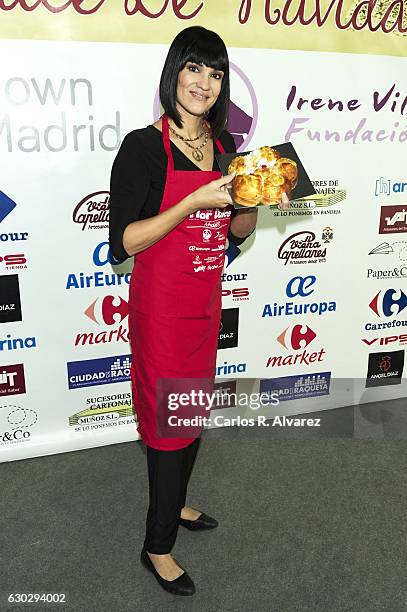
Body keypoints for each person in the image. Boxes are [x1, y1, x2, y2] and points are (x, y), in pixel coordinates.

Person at [109, 26, 289, 596]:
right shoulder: (142, 147)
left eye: (215, 73)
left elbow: (235, 233)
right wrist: (190, 200)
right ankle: (156, 546)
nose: (203, 83)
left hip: (205, 305)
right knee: (167, 428)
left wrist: (255, 202)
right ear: (174, 73)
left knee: (190, 412)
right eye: (194, 68)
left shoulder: (226, 152)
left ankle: (178, 503)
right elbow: (125, 241)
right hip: (161, 310)